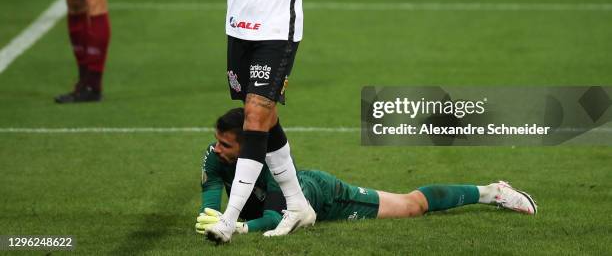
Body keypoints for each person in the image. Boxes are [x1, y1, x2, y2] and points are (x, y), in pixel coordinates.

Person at [76, 0, 415, 244]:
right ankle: (298, 204)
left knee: (255, 117)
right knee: (264, 119)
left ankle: (229, 218)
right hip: (238, 30)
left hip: (278, 30)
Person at [194, 108, 537, 236]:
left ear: (249, 145)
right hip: (291, 202)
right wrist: (212, 219)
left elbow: (272, 218)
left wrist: (236, 226)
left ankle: (492, 191)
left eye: (227, 145)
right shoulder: (216, 157)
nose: (218, 150)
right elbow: (208, 205)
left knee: (411, 207)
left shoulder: (272, 167)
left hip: (323, 196)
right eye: (218, 143)